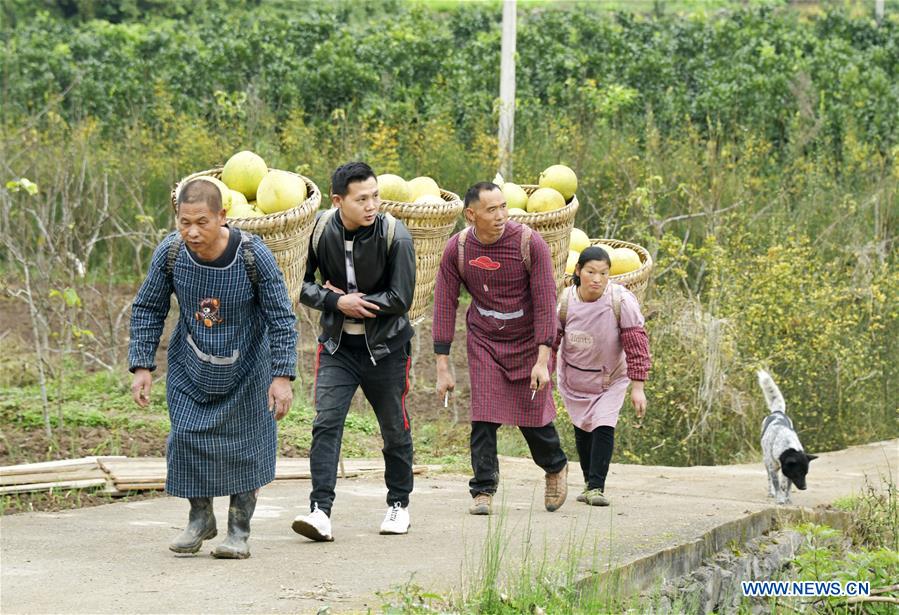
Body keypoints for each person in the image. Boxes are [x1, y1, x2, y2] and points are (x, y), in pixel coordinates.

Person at [129, 178, 297, 559]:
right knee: (186, 440)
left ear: (223, 216)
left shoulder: (254, 256)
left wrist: (282, 375)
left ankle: (239, 531)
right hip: (191, 366)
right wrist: (142, 365)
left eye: (202, 221)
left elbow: (281, 318)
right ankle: (200, 518)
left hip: (249, 368)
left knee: (247, 448)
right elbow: (147, 307)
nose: (192, 231)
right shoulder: (171, 254)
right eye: (184, 221)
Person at [292, 161, 416, 541]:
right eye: (361, 198)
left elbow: (401, 296)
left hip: (387, 348)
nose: (371, 205)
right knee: (325, 424)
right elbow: (299, 282)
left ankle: (398, 504)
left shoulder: (396, 234)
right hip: (337, 346)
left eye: (375, 196)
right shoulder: (318, 231)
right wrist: (334, 302)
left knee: (394, 427)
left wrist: (354, 302)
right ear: (337, 201)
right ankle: (320, 512)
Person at [433, 181, 569, 516]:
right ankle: (483, 489)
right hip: (485, 338)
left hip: (527, 340)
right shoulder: (458, 249)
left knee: (532, 416)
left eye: (503, 207)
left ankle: (555, 466)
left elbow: (545, 300)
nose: (500, 216)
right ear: (471, 214)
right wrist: (442, 364)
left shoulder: (528, 243)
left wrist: (543, 359)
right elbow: (444, 305)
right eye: (491, 210)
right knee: (484, 414)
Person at [556, 246, 651, 506]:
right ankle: (588, 483)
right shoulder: (566, 301)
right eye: (591, 272)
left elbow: (636, 344)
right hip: (574, 378)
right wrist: (540, 367)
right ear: (578, 271)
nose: (597, 279)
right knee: (583, 430)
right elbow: (552, 338)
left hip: (611, 378)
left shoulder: (620, 301)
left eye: (604, 273)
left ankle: (597, 486)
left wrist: (638, 387)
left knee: (603, 426)